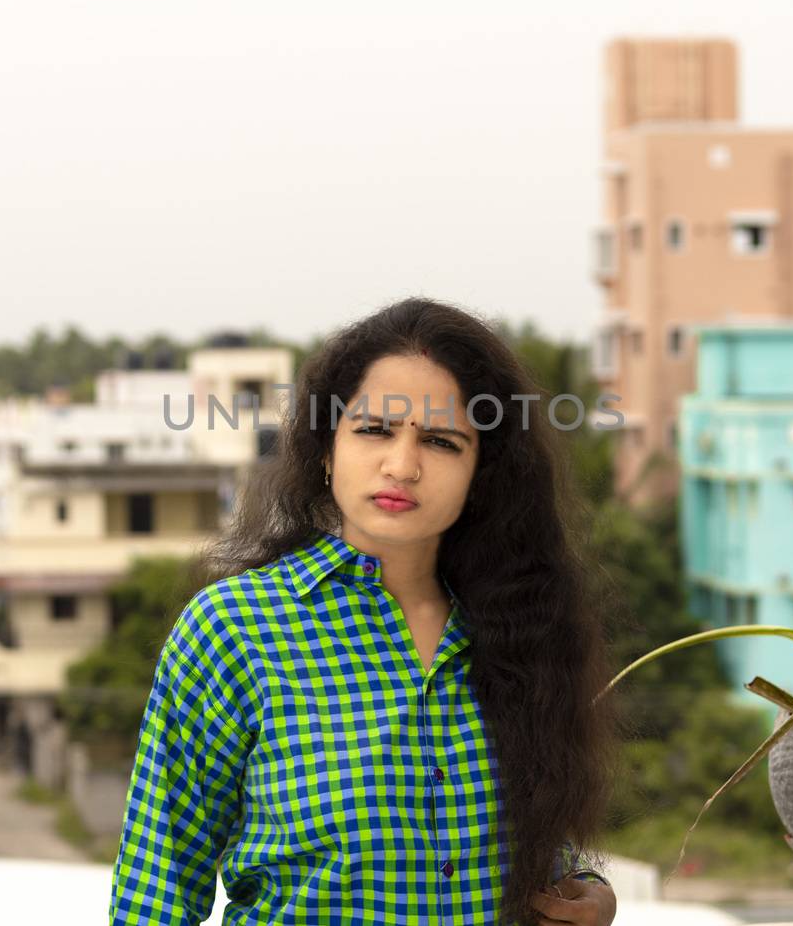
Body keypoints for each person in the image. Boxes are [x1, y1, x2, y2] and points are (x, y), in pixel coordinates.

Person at [109, 297, 620, 925]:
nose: (402, 466)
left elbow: (535, 841)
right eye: (375, 430)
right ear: (326, 450)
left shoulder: (519, 627)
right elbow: (156, 888)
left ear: (480, 472)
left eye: (440, 441)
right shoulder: (236, 628)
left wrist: (588, 890)